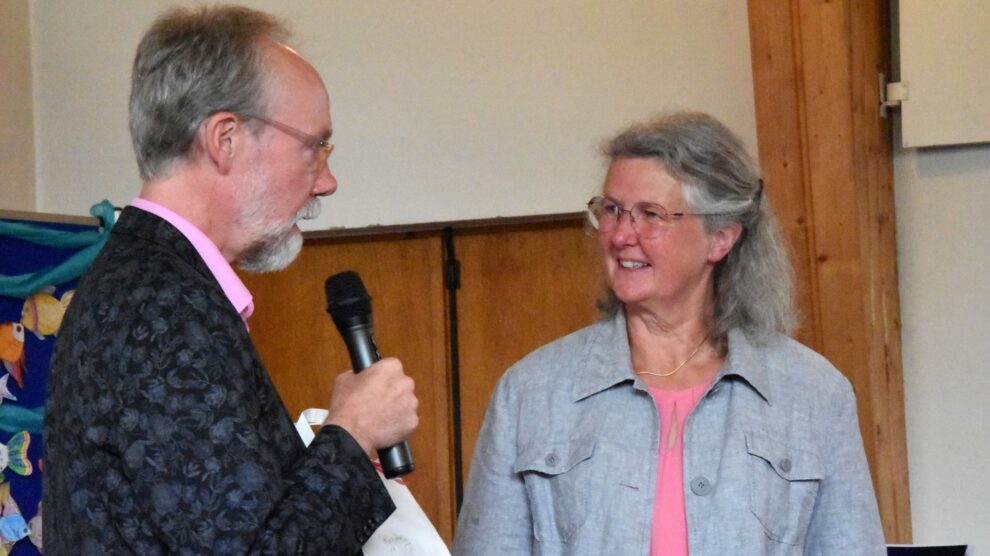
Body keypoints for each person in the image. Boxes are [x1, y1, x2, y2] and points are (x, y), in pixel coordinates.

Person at [43, 6, 419, 554]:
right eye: (314, 147)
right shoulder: (163, 306)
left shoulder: (149, 282)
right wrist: (353, 431)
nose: (328, 181)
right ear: (225, 139)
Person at [453, 112, 885, 555]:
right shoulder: (530, 393)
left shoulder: (814, 394)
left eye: (650, 215)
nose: (622, 235)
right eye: (612, 210)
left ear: (720, 238)